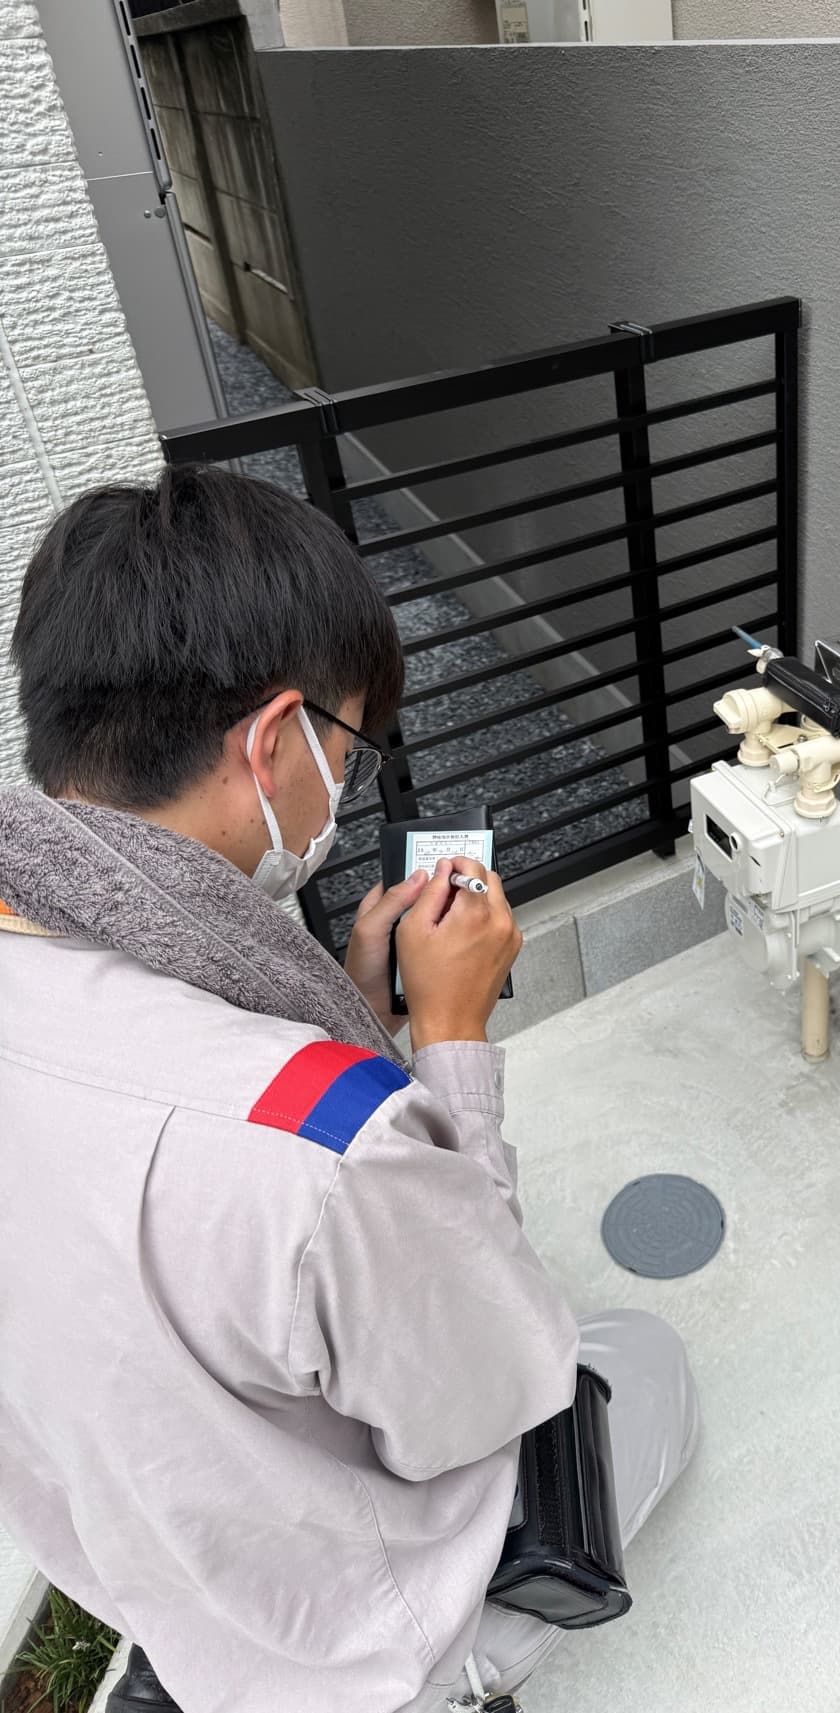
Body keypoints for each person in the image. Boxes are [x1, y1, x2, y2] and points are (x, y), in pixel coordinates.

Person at [0, 465, 697, 1713]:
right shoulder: (329, 1145)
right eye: (349, 752)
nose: (348, 785)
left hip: (144, 1545)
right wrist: (448, 1040)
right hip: (349, 1631)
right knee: (642, 1361)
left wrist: (346, 1012)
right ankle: (450, 1677)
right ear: (274, 743)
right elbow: (492, 1385)